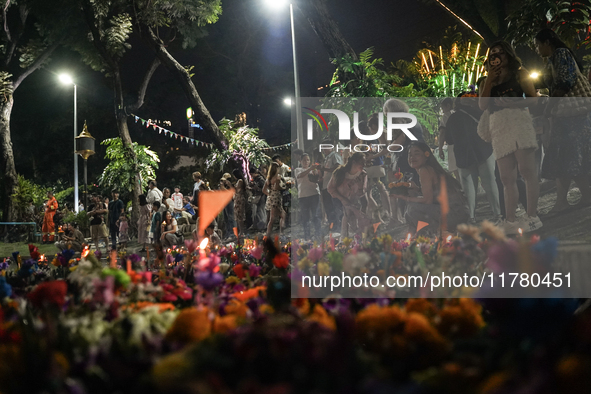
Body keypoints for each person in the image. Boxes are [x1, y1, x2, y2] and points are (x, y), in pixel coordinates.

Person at [479, 40, 542, 234]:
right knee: (506, 177)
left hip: (519, 121)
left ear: (508, 55)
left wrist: (514, 103)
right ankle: (510, 220)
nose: (496, 57)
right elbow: (482, 105)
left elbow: (533, 99)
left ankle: (532, 216)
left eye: (500, 53)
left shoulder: (520, 74)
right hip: (499, 126)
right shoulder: (485, 80)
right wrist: (489, 79)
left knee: (527, 171)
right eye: (492, 54)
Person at [535, 28, 591, 213]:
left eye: (537, 45)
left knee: (567, 156)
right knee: (570, 157)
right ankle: (579, 198)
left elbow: (564, 82)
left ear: (547, 43)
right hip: (570, 115)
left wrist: (549, 108)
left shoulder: (560, 54)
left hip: (572, 114)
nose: (537, 49)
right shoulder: (552, 59)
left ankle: (563, 201)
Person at [390, 142, 470, 234]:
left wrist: (405, 198)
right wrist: (416, 189)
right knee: (409, 212)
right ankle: (417, 235)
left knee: (412, 209)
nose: (412, 157)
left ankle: (438, 233)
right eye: (410, 155)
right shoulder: (426, 169)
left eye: (417, 154)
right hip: (458, 213)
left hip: (455, 214)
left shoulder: (425, 170)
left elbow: (427, 200)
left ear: (426, 155)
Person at [446, 92, 501, 223]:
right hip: (483, 152)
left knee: (468, 188)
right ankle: (497, 213)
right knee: (490, 183)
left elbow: (449, 140)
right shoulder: (481, 113)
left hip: (463, 156)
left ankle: (471, 216)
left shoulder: (452, 119)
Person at [327, 152, 370, 238]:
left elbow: (363, 192)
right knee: (347, 213)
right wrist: (343, 199)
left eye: (365, 162)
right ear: (353, 162)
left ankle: (357, 236)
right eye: (362, 162)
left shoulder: (363, 174)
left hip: (354, 200)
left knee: (355, 214)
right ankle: (344, 237)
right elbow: (330, 188)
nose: (364, 165)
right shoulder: (339, 172)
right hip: (338, 199)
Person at [365, 115, 392, 223]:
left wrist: (372, 157)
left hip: (379, 164)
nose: (370, 131)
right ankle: (387, 213)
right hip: (383, 163)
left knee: (372, 190)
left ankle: (385, 214)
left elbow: (386, 150)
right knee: (380, 187)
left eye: (371, 128)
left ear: (375, 126)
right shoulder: (382, 133)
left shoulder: (381, 134)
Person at [295, 153, 322, 240]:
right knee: (305, 217)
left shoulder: (313, 170)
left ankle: (318, 233)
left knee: (316, 216)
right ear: (301, 161)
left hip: (314, 194)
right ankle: (307, 235)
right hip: (303, 196)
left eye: (308, 160)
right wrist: (310, 169)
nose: (306, 162)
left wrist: (317, 172)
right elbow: (299, 176)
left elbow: (318, 179)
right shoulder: (298, 170)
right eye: (304, 160)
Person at [321, 139, 344, 231]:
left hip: (333, 185)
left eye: (326, 147)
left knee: (336, 207)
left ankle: (340, 227)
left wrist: (325, 170)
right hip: (325, 185)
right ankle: (332, 227)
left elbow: (338, 167)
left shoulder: (334, 155)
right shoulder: (326, 158)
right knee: (329, 207)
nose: (324, 149)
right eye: (323, 147)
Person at [437, 98, 459, 180]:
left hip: (453, 145)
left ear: (448, 106)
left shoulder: (446, 116)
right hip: (465, 144)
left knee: (456, 170)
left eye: (443, 108)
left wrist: (440, 149)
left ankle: (462, 190)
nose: (443, 111)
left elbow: (442, 133)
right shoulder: (459, 113)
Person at [264, 162, 286, 237]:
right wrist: (284, 187)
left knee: (275, 217)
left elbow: (263, 190)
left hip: (271, 198)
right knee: (276, 217)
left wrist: (269, 194)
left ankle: (269, 233)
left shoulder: (268, 178)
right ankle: (279, 232)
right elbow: (277, 187)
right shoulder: (277, 177)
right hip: (276, 198)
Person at [247, 167, 267, 232]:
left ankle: (263, 225)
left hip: (261, 196)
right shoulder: (254, 179)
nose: (251, 176)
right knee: (256, 212)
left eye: (252, 174)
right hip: (256, 196)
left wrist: (256, 187)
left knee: (261, 211)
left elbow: (264, 189)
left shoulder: (260, 179)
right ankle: (258, 225)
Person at [219, 173, 237, 241]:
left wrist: (224, 188)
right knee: (226, 219)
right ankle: (228, 233)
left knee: (231, 218)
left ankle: (233, 234)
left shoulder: (231, 186)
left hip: (230, 203)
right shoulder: (224, 186)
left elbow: (232, 195)